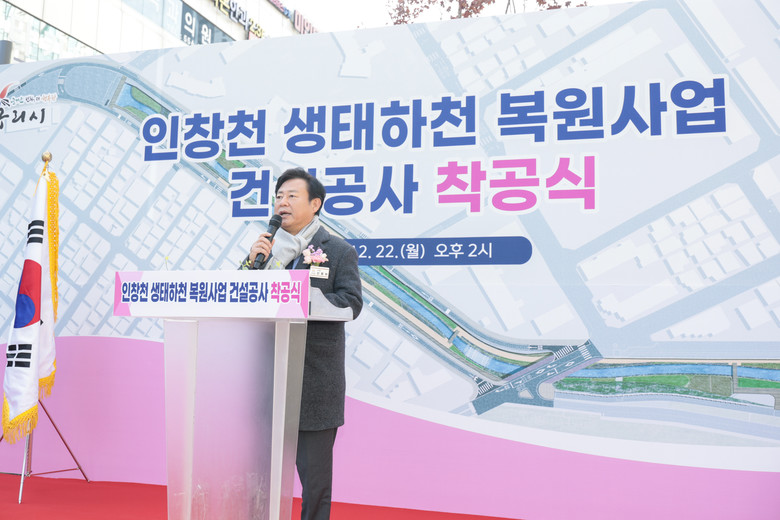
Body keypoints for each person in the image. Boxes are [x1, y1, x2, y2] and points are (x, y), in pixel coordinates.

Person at [240, 167, 363, 520]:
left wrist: (303, 299)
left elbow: (351, 304)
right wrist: (250, 265)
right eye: (278, 196)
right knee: (259, 477)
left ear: (315, 204)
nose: (282, 202)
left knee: (315, 484)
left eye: (292, 196)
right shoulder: (265, 250)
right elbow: (238, 296)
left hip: (314, 384)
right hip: (267, 381)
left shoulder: (337, 251)